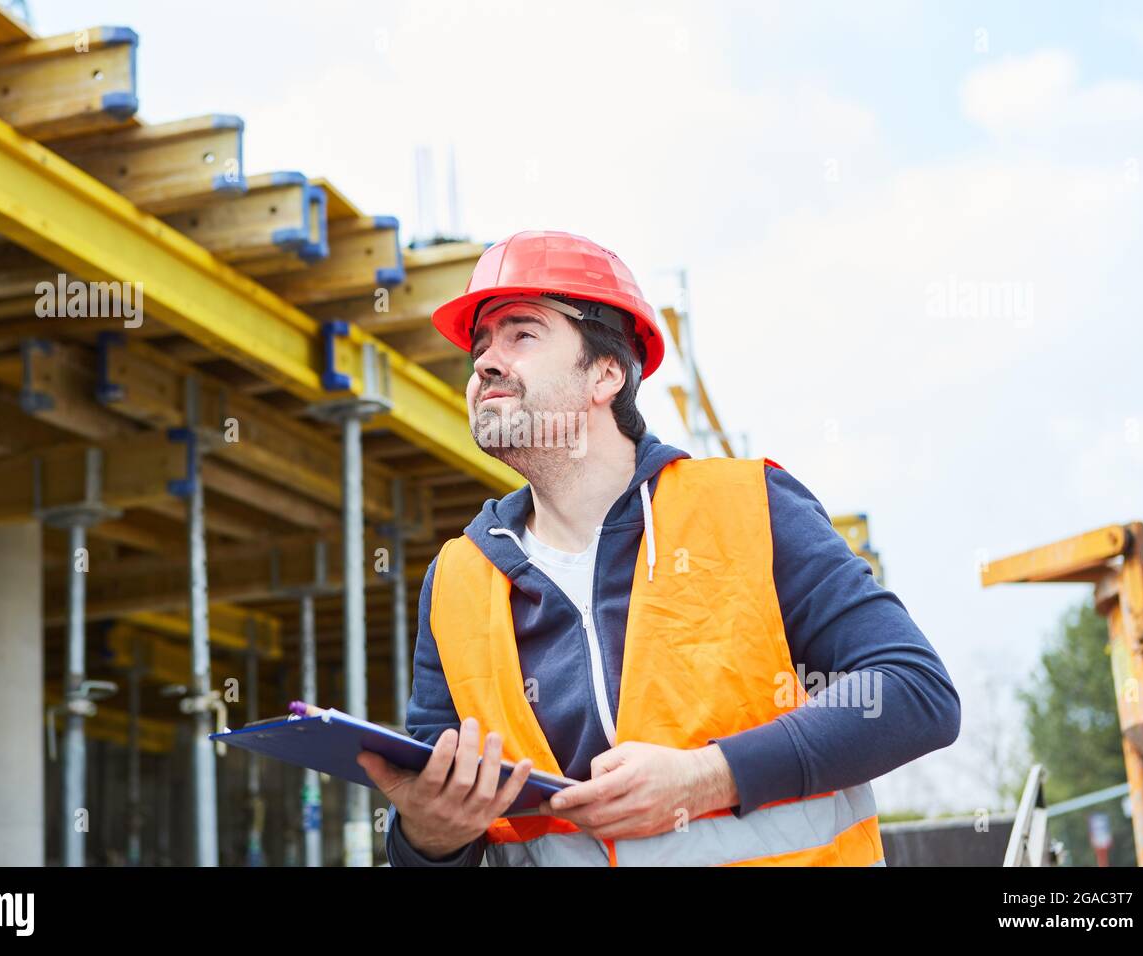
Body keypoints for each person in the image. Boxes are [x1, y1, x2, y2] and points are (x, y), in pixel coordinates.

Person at [357, 230, 960, 866]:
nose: (484, 363)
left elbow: (914, 691)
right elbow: (435, 829)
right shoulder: (457, 581)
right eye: (480, 345)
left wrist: (709, 777)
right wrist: (428, 838)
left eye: (522, 334)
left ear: (607, 373)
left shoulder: (750, 508)